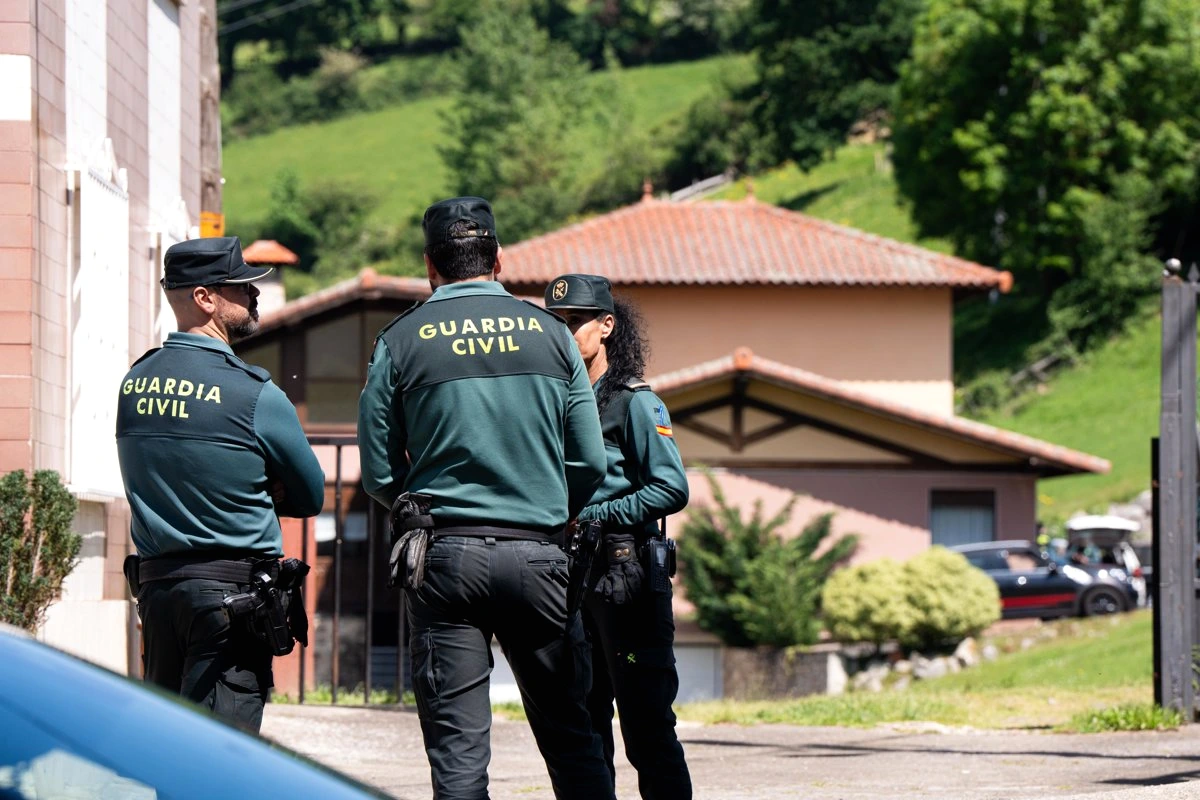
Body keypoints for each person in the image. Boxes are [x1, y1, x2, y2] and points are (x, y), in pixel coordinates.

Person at [357, 197, 614, 800]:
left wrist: (415, 508)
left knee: (458, 753)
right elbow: (589, 460)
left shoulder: (400, 340)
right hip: (539, 556)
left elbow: (376, 470)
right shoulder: (553, 336)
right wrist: (550, 511)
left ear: (430, 265)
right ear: (498, 258)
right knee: (573, 736)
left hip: (444, 558)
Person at [115, 236, 324, 732]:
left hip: (159, 594)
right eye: (241, 287)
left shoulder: (134, 383)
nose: (255, 294)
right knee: (222, 751)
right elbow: (310, 495)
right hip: (231, 601)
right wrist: (261, 489)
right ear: (204, 298)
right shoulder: (253, 393)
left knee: (166, 741)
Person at [544, 273, 693, 799]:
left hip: (624, 578)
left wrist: (598, 514)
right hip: (570, 576)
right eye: (558, 323)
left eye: (576, 321)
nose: (567, 333)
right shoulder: (555, 403)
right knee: (585, 725)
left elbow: (671, 487)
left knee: (646, 725)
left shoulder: (634, 402)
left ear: (606, 326)